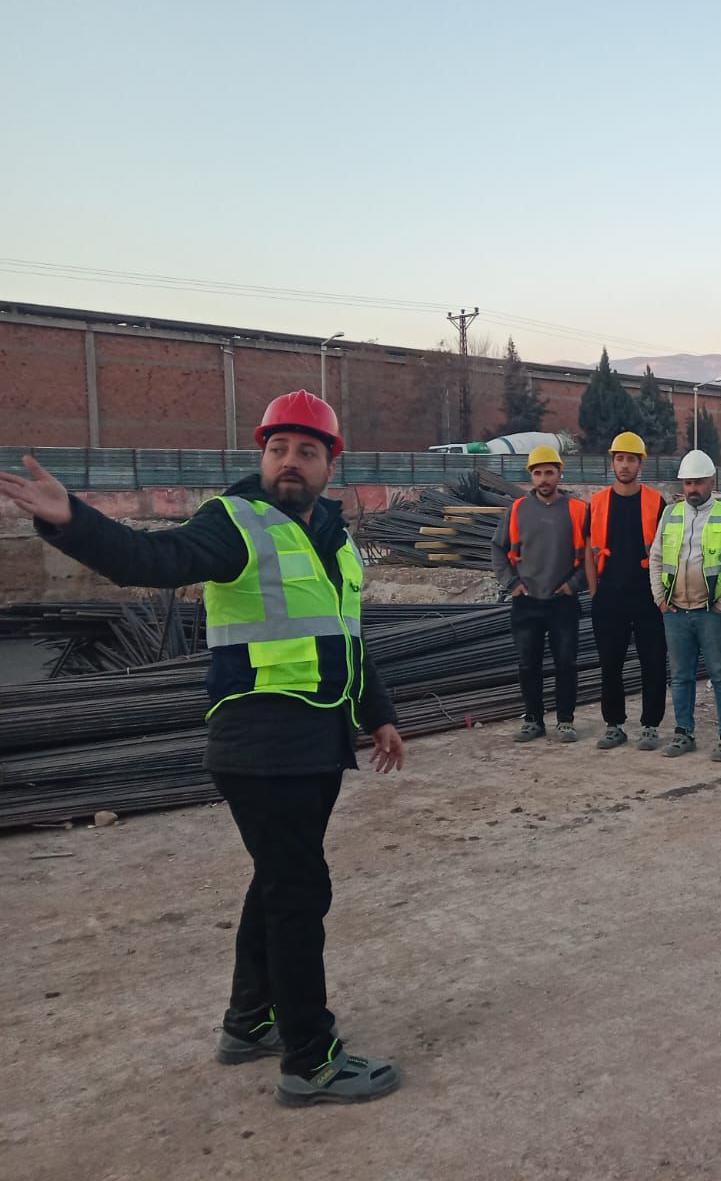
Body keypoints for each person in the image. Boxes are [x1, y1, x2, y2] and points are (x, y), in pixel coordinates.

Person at [0, 391, 405, 1107]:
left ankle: (249, 1020)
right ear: (262, 455)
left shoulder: (335, 538)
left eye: (306, 450)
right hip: (260, 742)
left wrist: (379, 717)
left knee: (276, 883)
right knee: (299, 893)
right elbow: (151, 558)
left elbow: (347, 636)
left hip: (317, 739)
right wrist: (73, 521)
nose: (289, 461)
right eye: (278, 448)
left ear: (329, 464)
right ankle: (310, 1060)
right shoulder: (234, 521)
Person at [649, 449, 721, 763]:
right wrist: (660, 598)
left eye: (699, 482)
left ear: (711, 482)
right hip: (676, 611)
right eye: (688, 483)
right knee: (681, 676)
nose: (692, 488)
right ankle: (683, 733)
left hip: (712, 613)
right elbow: (656, 557)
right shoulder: (671, 514)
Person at [491, 445, 593, 744]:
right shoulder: (517, 510)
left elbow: (592, 555)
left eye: (549, 472)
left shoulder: (578, 511)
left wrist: (574, 584)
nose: (544, 478)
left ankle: (565, 721)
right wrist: (512, 583)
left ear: (560, 473)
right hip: (526, 602)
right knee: (528, 665)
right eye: (538, 473)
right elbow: (497, 548)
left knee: (566, 663)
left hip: (563, 602)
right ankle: (533, 719)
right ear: (531, 477)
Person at [588, 431, 668, 750]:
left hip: (648, 596)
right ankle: (614, 725)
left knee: (653, 663)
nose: (624, 465)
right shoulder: (597, 503)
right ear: (612, 463)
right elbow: (588, 550)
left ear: (640, 465)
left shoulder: (656, 502)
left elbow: (666, 550)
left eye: (631, 459)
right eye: (619, 459)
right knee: (610, 664)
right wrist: (594, 591)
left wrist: (663, 595)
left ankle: (650, 725)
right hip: (609, 595)